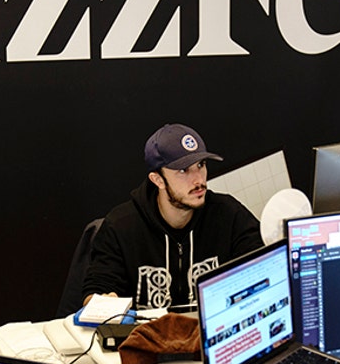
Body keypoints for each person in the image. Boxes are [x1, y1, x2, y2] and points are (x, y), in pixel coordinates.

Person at [82, 123, 262, 310]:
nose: (199, 180)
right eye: (183, 170)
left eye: (201, 165)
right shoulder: (121, 226)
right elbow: (96, 290)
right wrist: (104, 303)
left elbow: (262, 264)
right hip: (147, 335)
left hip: (210, 333)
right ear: (157, 179)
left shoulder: (228, 214)